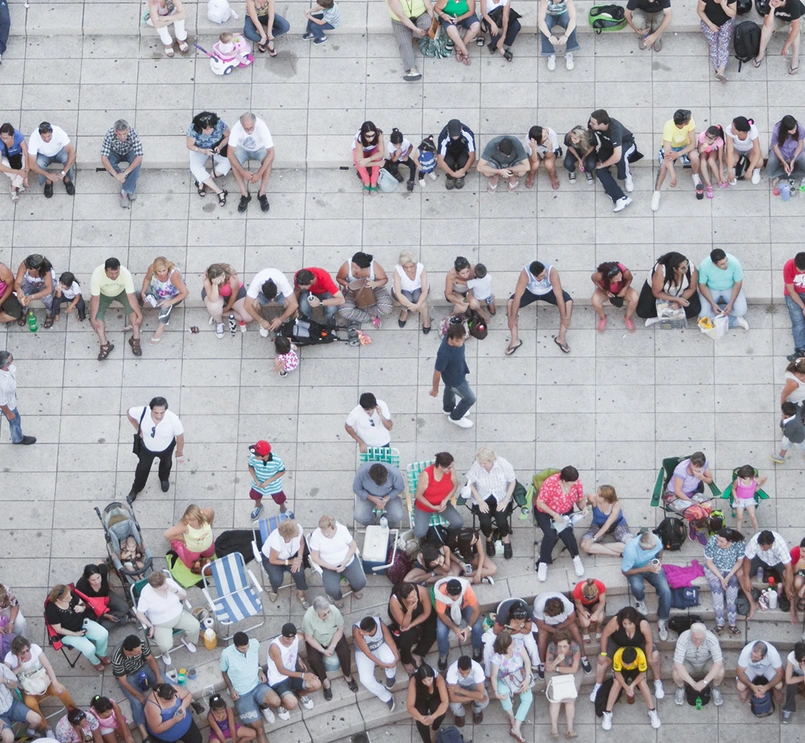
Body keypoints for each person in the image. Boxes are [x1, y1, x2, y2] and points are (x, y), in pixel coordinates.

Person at [589, 606, 665, 704]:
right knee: (602, 661)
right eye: (624, 623)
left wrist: (649, 657)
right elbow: (604, 635)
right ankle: (598, 685)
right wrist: (603, 654)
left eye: (630, 623)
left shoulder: (643, 624)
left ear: (635, 621)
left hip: (639, 643)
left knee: (655, 656)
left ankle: (657, 681)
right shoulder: (615, 621)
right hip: (617, 642)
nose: (627, 626)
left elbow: (649, 641)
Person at [4, 635, 75, 735]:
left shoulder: (35, 648)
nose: (27, 653)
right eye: (23, 652)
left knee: (62, 690)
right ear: (16, 653)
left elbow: (48, 666)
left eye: (27, 650)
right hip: (27, 689)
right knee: (30, 704)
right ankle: (46, 727)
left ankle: (74, 712)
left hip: (45, 682)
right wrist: (19, 667)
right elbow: (6, 677)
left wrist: (54, 682)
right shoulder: (9, 658)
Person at [219, 630, 281, 733]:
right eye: (243, 648)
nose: (246, 649)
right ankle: (256, 707)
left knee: (277, 701)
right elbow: (224, 672)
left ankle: (263, 707)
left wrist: (260, 670)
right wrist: (231, 688)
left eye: (247, 646)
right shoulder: (226, 654)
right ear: (236, 646)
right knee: (259, 729)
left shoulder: (254, 644)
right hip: (241, 693)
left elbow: (254, 659)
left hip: (256, 685)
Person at [506, 261, 573, 355]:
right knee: (510, 303)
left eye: (544, 273)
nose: (545, 276)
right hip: (531, 292)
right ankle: (514, 341)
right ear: (534, 276)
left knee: (568, 303)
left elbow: (559, 296)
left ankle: (561, 339)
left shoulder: (551, 272)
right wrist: (512, 318)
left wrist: (564, 317)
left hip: (549, 292)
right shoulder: (525, 274)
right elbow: (517, 297)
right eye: (541, 276)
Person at [126, 396, 184, 502]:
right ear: (151, 409)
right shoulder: (142, 412)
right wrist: (138, 429)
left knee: (166, 465)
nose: (159, 416)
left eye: (162, 412)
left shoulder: (173, 419)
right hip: (147, 448)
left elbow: (180, 437)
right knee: (142, 469)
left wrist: (179, 451)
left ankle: (164, 479)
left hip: (166, 448)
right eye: (156, 413)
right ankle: (136, 489)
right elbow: (129, 413)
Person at [134, 571, 199, 665]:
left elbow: (184, 596)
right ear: (154, 587)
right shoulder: (146, 594)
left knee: (195, 626)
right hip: (161, 623)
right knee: (165, 645)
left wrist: (175, 590)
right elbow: (139, 614)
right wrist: (150, 626)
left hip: (179, 615)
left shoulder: (169, 582)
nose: (165, 587)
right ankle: (165, 653)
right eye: (161, 587)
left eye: (165, 584)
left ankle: (186, 640)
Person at [534, 466, 586, 582]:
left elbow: (580, 499)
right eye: (572, 482)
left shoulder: (576, 483)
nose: (575, 483)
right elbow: (540, 503)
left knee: (567, 533)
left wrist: (584, 508)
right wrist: (553, 514)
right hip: (546, 512)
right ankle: (543, 562)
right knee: (550, 535)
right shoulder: (551, 483)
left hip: (565, 512)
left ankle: (576, 557)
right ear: (564, 480)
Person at [302, 596, 358, 699]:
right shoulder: (308, 618)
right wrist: (322, 650)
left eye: (328, 612)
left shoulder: (334, 611)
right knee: (313, 659)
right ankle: (324, 681)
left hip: (333, 636)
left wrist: (332, 646)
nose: (327, 615)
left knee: (345, 651)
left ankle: (347, 675)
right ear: (316, 612)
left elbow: (340, 629)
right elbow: (309, 638)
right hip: (317, 639)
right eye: (324, 614)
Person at [112, 635, 165, 742]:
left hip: (143, 667)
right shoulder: (117, 658)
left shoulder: (140, 644)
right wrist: (140, 696)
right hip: (128, 676)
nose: (140, 652)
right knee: (136, 702)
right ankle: (144, 734)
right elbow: (123, 681)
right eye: (137, 651)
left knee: (164, 682)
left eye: (140, 650)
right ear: (128, 651)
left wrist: (158, 677)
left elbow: (150, 658)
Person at [46, 584, 110, 671]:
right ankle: (95, 661)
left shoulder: (70, 594)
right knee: (90, 649)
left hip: (82, 622)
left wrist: (81, 607)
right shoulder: (51, 610)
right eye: (67, 598)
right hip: (68, 633)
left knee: (103, 634)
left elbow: (82, 603)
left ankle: (101, 653)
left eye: (70, 595)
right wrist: (75, 634)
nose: (71, 598)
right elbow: (58, 629)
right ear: (58, 600)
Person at [90, 257, 143, 360]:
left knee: (134, 314)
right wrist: (93, 318)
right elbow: (95, 299)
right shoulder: (97, 275)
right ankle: (105, 345)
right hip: (103, 295)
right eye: (111, 273)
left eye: (116, 272)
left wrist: (139, 314)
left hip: (122, 293)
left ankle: (135, 340)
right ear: (105, 270)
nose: (114, 276)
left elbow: (131, 296)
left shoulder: (125, 273)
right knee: (97, 319)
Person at [466, 447, 516, 558]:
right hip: (483, 498)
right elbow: (470, 483)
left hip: (501, 497)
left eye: (484, 463)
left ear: (491, 460)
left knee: (501, 520)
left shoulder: (503, 464)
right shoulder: (477, 465)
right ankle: (488, 540)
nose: (482, 465)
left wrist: (505, 500)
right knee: (484, 522)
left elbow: (512, 481)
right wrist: (479, 501)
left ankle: (506, 540)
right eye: (480, 463)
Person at [621, 532, 671, 641]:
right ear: (643, 548)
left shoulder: (655, 539)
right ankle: (639, 599)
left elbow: (660, 549)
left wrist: (659, 560)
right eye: (650, 549)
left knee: (666, 591)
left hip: (651, 567)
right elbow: (624, 571)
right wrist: (645, 569)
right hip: (635, 570)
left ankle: (662, 620)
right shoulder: (631, 550)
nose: (654, 548)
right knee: (637, 587)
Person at [308, 515, 366, 607]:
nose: (325, 534)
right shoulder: (316, 535)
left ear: (333, 527)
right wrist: (330, 567)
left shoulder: (342, 530)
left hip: (347, 561)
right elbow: (315, 557)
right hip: (328, 566)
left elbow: (353, 545)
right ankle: (338, 598)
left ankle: (355, 589)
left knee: (361, 582)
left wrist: (345, 561)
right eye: (323, 532)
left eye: (328, 532)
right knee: (331, 589)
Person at [740, 529, 797, 621]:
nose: (761, 547)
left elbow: (789, 567)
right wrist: (746, 577)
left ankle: (792, 607)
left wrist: (787, 588)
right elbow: (747, 559)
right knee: (740, 574)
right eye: (760, 545)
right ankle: (752, 604)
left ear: (771, 543)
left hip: (777, 561)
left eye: (764, 546)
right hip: (760, 559)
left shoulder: (780, 545)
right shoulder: (755, 541)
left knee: (789, 577)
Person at [651, 109, 702, 211]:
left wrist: (678, 154)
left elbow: (692, 143)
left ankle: (695, 175)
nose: (691, 119)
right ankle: (656, 192)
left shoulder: (690, 121)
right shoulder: (668, 127)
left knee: (695, 156)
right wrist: (673, 175)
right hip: (672, 148)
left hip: (685, 147)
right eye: (688, 119)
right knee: (663, 166)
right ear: (683, 124)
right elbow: (667, 154)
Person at [600, 646, 661, 731]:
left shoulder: (640, 655)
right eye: (625, 663)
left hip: (636, 669)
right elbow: (617, 674)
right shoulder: (618, 654)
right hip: (622, 670)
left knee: (642, 683)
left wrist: (631, 686)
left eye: (628, 664)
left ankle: (652, 711)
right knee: (617, 683)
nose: (626, 665)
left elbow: (642, 674)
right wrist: (626, 687)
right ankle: (608, 712)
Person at [265, 623, 321, 714]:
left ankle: (301, 693)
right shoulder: (275, 647)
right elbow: (281, 670)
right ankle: (281, 705)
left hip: (292, 673)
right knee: (292, 704)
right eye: (288, 638)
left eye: (292, 638)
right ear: (282, 635)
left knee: (317, 684)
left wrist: (299, 658)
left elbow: (307, 636)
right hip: (278, 680)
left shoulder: (297, 637)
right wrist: (303, 675)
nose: (290, 641)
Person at [532, 592, 591, 676]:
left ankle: (583, 657)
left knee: (574, 629)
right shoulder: (539, 607)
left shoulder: (567, 604)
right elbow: (540, 624)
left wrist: (559, 627)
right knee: (541, 636)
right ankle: (542, 663)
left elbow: (572, 618)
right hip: (545, 624)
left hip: (562, 622)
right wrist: (556, 631)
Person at [489, 630, 532, 743]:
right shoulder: (497, 657)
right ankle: (512, 717)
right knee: (502, 692)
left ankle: (516, 726)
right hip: (506, 679)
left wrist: (527, 679)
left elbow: (527, 661)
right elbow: (494, 676)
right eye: (511, 642)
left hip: (520, 676)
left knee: (528, 698)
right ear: (506, 646)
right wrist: (495, 692)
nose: (514, 642)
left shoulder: (518, 645)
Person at [589, 109, 636, 212]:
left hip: (626, 144)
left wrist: (602, 164)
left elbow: (617, 156)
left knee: (621, 158)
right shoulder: (592, 124)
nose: (589, 123)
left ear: (602, 124)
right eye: (591, 121)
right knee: (599, 171)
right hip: (607, 147)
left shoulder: (615, 129)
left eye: (593, 123)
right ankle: (620, 198)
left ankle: (627, 176)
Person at [636, 252, 701, 325]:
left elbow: (692, 288)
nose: (686, 268)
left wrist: (678, 302)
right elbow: (656, 292)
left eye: (687, 265)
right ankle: (665, 315)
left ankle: (665, 315)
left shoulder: (691, 269)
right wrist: (676, 299)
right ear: (674, 269)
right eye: (683, 268)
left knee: (695, 310)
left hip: (682, 292)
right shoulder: (661, 272)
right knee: (642, 312)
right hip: (661, 291)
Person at [431, 324, 476, 429]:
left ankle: (448, 408)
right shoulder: (444, 354)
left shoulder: (454, 333)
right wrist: (435, 389)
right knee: (470, 399)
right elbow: (437, 372)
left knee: (449, 390)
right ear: (450, 338)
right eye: (457, 341)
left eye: (462, 340)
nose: (461, 343)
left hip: (457, 373)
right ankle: (455, 417)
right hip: (456, 380)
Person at [703, 527, 746, 635]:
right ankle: (720, 624)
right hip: (714, 570)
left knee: (732, 595)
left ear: (730, 541)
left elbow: (739, 562)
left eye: (721, 541)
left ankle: (732, 624)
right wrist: (721, 578)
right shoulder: (712, 541)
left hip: (731, 570)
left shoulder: (739, 544)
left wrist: (729, 575)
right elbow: (709, 563)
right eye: (718, 539)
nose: (718, 543)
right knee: (717, 595)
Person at [434, 578, 483, 670]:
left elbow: (477, 609)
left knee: (477, 626)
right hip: (447, 609)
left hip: (464, 606)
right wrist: (454, 628)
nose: (455, 598)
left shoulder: (467, 589)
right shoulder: (440, 593)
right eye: (453, 596)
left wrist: (469, 628)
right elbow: (441, 614)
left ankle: (477, 647)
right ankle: (443, 653)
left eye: (458, 595)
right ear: (447, 592)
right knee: (441, 633)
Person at [352, 615, 400, 711]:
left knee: (391, 658)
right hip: (363, 652)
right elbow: (367, 653)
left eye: (364, 631)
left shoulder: (380, 624)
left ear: (372, 629)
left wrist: (396, 657)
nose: (361, 632)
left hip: (379, 645)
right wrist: (381, 664)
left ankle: (391, 676)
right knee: (365, 679)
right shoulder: (357, 630)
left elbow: (390, 641)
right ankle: (386, 696)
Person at [388, 583, 437, 675]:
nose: (415, 598)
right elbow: (405, 624)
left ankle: (418, 653)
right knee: (407, 634)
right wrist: (410, 610)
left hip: (419, 613)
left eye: (414, 594)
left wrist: (412, 624)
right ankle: (405, 659)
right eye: (411, 597)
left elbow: (426, 613)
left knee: (433, 627)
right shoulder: (395, 602)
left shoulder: (421, 591)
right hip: (403, 617)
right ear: (404, 599)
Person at [662, 452, 713, 540]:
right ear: (690, 461)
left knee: (707, 507)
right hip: (674, 496)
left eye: (699, 467)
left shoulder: (704, 465)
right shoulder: (681, 470)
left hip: (692, 492)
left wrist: (702, 477)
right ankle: (698, 529)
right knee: (697, 512)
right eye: (694, 465)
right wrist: (692, 502)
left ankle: (694, 524)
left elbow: (709, 480)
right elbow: (678, 491)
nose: (696, 468)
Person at [139, 257, 188, 346]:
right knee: (137, 296)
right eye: (159, 271)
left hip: (172, 295)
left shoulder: (173, 275)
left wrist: (171, 302)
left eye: (164, 271)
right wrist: (143, 292)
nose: (162, 274)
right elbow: (147, 279)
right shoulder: (151, 268)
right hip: (157, 291)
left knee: (165, 308)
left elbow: (185, 292)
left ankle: (160, 330)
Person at [671, 623, 725, 706]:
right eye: (694, 638)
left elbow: (718, 663)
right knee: (676, 672)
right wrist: (693, 684)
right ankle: (681, 688)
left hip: (706, 662)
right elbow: (678, 665)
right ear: (690, 634)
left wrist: (705, 682)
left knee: (720, 671)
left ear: (705, 634)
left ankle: (715, 688)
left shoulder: (712, 639)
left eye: (700, 638)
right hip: (689, 663)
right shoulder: (683, 639)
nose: (697, 641)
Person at [261, 518, 310, 607]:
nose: (298, 531)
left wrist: (299, 558)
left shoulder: (298, 529)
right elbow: (272, 560)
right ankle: (274, 589)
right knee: (277, 579)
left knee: (299, 572)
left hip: (291, 554)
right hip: (272, 559)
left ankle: (301, 595)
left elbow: (302, 543)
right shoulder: (276, 542)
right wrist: (289, 562)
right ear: (289, 535)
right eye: (296, 531)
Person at [413, 452, 463, 539]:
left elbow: (455, 486)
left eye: (451, 466)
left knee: (458, 522)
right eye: (448, 468)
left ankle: (447, 537)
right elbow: (418, 495)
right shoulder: (426, 475)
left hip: (443, 503)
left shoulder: (451, 470)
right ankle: (426, 543)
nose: (451, 469)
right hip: (425, 505)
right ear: (440, 466)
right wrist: (432, 506)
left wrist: (446, 500)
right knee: (420, 533)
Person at [335, 251, 393, 326]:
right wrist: (346, 284)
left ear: (364, 269)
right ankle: (370, 317)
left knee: (387, 308)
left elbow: (384, 279)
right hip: (352, 291)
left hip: (373, 290)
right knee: (344, 311)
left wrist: (374, 283)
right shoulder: (346, 266)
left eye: (356, 268)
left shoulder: (374, 267)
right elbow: (339, 278)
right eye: (352, 266)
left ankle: (362, 309)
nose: (353, 269)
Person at [697, 249, 749, 331]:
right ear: (714, 263)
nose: (726, 265)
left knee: (742, 310)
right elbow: (702, 285)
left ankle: (716, 317)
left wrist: (731, 303)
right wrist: (712, 304)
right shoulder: (704, 266)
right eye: (722, 264)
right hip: (711, 288)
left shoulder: (734, 262)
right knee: (702, 313)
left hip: (730, 287)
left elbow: (738, 283)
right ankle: (735, 321)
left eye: (726, 261)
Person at [186, 112, 230, 206]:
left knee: (229, 162)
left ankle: (202, 182)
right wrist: (203, 151)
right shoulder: (193, 130)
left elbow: (228, 135)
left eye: (211, 128)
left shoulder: (219, 124)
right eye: (205, 129)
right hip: (199, 149)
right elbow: (189, 145)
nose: (209, 131)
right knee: (195, 168)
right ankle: (219, 192)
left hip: (215, 147)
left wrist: (220, 146)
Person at [544, 629, 580, 739]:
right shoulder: (551, 647)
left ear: (569, 644)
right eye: (560, 646)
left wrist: (558, 668)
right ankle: (554, 728)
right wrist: (557, 660)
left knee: (570, 698)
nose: (562, 649)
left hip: (569, 672)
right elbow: (549, 668)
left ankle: (570, 729)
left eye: (565, 646)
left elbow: (574, 669)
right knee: (556, 699)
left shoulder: (575, 647)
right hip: (554, 673)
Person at [579, 485, 633, 557]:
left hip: (617, 525)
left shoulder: (615, 504)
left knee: (631, 545)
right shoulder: (594, 498)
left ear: (606, 499)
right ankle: (617, 553)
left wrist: (593, 539)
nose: (596, 495)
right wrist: (585, 505)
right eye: (597, 492)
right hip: (598, 525)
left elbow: (607, 525)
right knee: (584, 545)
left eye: (599, 495)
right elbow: (583, 499)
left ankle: (601, 546)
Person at [100, 120, 143, 208]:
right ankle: (130, 187)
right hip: (115, 152)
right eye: (119, 134)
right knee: (109, 162)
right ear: (115, 132)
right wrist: (116, 175)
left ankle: (125, 190)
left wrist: (124, 173)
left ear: (127, 130)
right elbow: (103, 158)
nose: (122, 137)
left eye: (124, 133)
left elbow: (139, 157)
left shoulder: (133, 134)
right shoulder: (109, 134)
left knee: (137, 163)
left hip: (129, 152)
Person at [244, 267, 298, 337]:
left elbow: (294, 304)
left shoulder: (282, 282)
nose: (272, 301)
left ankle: (284, 320)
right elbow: (247, 305)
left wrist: (280, 320)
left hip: (279, 294)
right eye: (271, 299)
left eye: (273, 298)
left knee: (288, 304)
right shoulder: (256, 283)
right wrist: (261, 320)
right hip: (262, 294)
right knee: (255, 305)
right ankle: (263, 322)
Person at [387, 0, 434, 80]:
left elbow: (429, 7)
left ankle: (411, 37)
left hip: (420, 15)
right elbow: (401, 16)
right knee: (404, 43)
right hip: (400, 21)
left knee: (426, 22)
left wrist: (432, 22)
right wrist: (416, 29)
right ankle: (412, 70)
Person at [27, 121, 76, 197]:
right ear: (39, 134)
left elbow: (71, 152)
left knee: (68, 158)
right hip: (44, 155)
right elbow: (32, 164)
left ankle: (67, 178)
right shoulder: (34, 138)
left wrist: (63, 172)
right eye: (43, 137)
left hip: (59, 151)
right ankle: (48, 180)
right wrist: (48, 175)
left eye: (49, 136)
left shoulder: (59, 132)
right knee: (38, 162)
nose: (47, 139)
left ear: (52, 132)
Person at [75, 563, 132, 628]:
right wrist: (105, 615)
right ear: (87, 579)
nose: (97, 582)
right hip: (94, 607)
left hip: (106, 597)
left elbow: (102, 563)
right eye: (93, 580)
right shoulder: (81, 586)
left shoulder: (103, 570)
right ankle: (123, 619)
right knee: (102, 626)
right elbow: (85, 605)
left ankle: (115, 616)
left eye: (98, 577)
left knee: (124, 607)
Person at [754, 0, 804, 74]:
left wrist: (786, 46)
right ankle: (761, 53)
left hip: (798, 17)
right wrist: (772, 9)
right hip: (781, 17)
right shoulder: (770, 2)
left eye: (776, 1)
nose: (773, 2)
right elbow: (767, 24)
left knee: (793, 31)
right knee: (766, 28)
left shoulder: (793, 3)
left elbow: (795, 29)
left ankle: (795, 59)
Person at [353, 461, 406, 529]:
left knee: (398, 516)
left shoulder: (394, 473)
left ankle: (387, 527)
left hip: (389, 495)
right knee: (359, 516)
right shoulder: (361, 473)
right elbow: (356, 489)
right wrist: (371, 498)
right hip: (368, 495)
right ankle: (372, 526)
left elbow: (400, 488)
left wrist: (387, 498)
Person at [162, 505, 215, 573]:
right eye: (187, 518)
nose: (189, 522)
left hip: (208, 544)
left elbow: (212, 514)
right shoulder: (185, 525)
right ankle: (177, 544)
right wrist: (183, 539)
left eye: (192, 520)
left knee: (210, 555)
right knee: (190, 566)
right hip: (192, 550)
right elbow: (166, 534)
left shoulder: (206, 514)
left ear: (199, 517)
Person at [0, 662, 41, 743]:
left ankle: (30, 731)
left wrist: (4, 680)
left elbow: (14, 685)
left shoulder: (1, 667)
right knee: (9, 739)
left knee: (37, 719)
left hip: (11, 704)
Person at [406, 665, 448, 743]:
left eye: (429, 679)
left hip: (434, 697)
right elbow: (410, 706)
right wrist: (422, 719)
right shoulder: (414, 680)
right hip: (421, 699)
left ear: (433, 676)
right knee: (420, 716)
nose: (428, 683)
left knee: (440, 711)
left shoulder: (439, 679)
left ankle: (434, 728)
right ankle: (427, 741)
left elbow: (445, 702)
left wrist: (432, 717)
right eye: (424, 681)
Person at [0, 351, 35, 445]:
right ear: (5, 364)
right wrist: (9, 413)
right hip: (9, 406)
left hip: (11, 399)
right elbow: (2, 403)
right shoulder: (3, 384)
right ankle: (17, 439)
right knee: (15, 422)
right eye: (11, 360)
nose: (13, 361)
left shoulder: (9, 369)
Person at [247, 440, 287, 519]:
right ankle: (258, 506)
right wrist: (255, 479)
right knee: (256, 496)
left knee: (280, 499)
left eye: (256, 455)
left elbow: (282, 471)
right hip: (257, 484)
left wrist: (269, 481)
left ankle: (283, 509)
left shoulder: (277, 460)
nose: (254, 456)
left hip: (274, 485)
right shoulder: (253, 458)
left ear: (264, 455)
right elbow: (250, 467)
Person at [697, 0, 735, 81]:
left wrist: (724, 5)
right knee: (714, 45)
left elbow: (732, 13)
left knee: (723, 44)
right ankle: (718, 70)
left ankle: (721, 69)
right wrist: (710, 25)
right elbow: (700, 11)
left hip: (725, 23)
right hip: (708, 23)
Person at [736, 640, 784, 705]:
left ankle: (775, 690)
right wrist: (751, 686)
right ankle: (748, 688)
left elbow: (780, 673)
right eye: (752, 654)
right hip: (751, 668)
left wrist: (766, 687)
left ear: (763, 656)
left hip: (767, 668)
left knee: (779, 686)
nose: (752, 658)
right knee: (740, 687)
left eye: (756, 657)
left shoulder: (773, 654)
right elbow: (739, 672)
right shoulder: (746, 651)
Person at [14, 254, 55, 328]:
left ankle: (49, 314)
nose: (28, 270)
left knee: (48, 299)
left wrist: (31, 297)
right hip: (29, 284)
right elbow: (17, 283)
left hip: (44, 286)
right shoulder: (25, 264)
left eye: (30, 269)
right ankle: (24, 312)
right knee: (21, 297)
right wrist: (18, 289)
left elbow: (49, 289)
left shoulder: (46, 270)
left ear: (38, 268)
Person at [393, 251, 431, 332]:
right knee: (406, 299)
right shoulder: (397, 269)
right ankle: (404, 312)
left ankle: (426, 319)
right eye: (405, 267)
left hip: (418, 288)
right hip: (403, 290)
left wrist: (417, 305)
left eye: (411, 266)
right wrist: (411, 306)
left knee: (421, 302)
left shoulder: (421, 268)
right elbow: (398, 293)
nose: (409, 269)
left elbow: (424, 290)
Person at [446, 655, 488, 726]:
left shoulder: (477, 668)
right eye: (462, 673)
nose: (465, 676)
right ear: (458, 668)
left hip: (472, 684)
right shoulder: (451, 671)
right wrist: (475, 697)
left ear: (471, 668)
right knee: (454, 706)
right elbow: (453, 698)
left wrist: (460, 690)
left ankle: (476, 710)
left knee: (485, 701)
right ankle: (460, 715)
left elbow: (480, 695)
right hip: (458, 685)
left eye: (467, 673)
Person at [435, 0, 481, 65]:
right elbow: (436, 8)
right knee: (451, 29)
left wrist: (460, 18)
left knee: (476, 26)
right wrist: (443, 14)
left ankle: (459, 47)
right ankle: (465, 52)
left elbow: (471, 11)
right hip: (449, 17)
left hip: (465, 16)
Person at [537, 0, 579, 70]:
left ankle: (569, 51)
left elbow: (573, 18)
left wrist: (566, 36)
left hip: (563, 13)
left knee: (570, 24)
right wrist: (549, 36)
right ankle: (550, 53)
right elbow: (540, 20)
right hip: (549, 14)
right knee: (544, 25)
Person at [436, 120, 476, 190]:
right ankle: (450, 177)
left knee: (464, 161)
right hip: (449, 151)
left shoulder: (468, 133)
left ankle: (461, 177)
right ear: (448, 130)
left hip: (463, 150)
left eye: (457, 134)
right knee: (447, 161)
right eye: (452, 135)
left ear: (461, 128)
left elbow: (472, 156)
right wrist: (453, 174)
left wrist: (463, 171)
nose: (455, 137)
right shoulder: (443, 136)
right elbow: (440, 160)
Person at [767, 115, 805, 185]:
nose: (794, 131)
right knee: (769, 173)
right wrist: (784, 163)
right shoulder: (777, 130)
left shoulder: (799, 127)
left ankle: (781, 176)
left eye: (795, 128)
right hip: (780, 150)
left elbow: (800, 145)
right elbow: (775, 147)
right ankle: (788, 169)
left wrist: (793, 160)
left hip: (795, 150)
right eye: (791, 130)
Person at [725, 116, 763, 185]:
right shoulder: (729, 129)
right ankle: (733, 169)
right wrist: (730, 170)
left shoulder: (753, 130)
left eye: (733, 129)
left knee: (759, 162)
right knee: (729, 160)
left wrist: (749, 171)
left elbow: (757, 152)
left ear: (740, 131)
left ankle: (756, 170)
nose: (731, 129)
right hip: (736, 149)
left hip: (750, 149)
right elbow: (730, 151)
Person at [352, 121, 385, 194]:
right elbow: (360, 163)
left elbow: (381, 152)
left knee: (378, 157)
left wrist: (368, 159)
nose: (371, 138)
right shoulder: (359, 138)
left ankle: (373, 183)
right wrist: (377, 163)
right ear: (363, 134)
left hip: (373, 149)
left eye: (373, 135)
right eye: (368, 136)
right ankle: (366, 182)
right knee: (358, 163)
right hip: (360, 150)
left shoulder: (379, 133)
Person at [524, 125, 560, 189]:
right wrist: (533, 148)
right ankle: (531, 174)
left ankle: (552, 175)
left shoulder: (552, 134)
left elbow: (549, 156)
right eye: (544, 136)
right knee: (535, 164)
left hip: (549, 151)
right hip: (536, 152)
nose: (547, 135)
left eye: (545, 132)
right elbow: (534, 160)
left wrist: (549, 148)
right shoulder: (528, 140)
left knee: (549, 163)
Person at [0, 122, 28, 203]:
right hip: (6, 157)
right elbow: (0, 166)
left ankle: (14, 186)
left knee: (26, 161)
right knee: (5, 165)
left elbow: (26, 153)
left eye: (6, 138)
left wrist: (26, 172)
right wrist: (18, 172)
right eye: (2, 137)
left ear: (12, 136)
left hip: (18, 155)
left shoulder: (18, 136)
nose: (4, 140)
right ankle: (18, 184)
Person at [731, 467, 765, 532]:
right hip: (740, 499)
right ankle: (738, 533)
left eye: (745, 478)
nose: (742, 479)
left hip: (750, 499)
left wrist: (759, 486)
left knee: (752, 516)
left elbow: (764, 478)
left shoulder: (754, 480)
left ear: (751, 476)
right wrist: (735, 497)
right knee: (739, 517)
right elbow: (733, 489)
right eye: (741, 477)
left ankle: (756, 532)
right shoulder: (737, 481)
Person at [785, 252, 805, 360]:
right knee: (798, 321)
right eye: (800, 270)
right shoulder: (788, 266)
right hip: (793, 295)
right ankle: (801, 350)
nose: (802, 272)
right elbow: (791, 291)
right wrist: (803, 307)